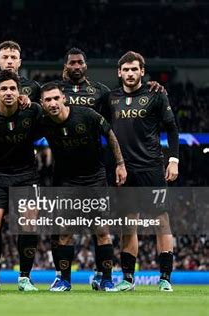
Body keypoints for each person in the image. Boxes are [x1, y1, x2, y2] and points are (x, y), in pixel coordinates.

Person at [48, 47, 166, 290]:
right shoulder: (53, 92)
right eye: (72, 63)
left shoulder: (102, 93)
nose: (77, 66)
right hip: (64, 173)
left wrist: (152, 87)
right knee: (63, 229)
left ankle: (103, 275)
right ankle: (62, 277)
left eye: (81, 62)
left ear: (86, 65)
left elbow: (112, 124)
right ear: (66, 66)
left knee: (101, 227)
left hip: (96, 170)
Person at [38, 83, 127, 291]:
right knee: (65, 232)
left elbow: (111, 135)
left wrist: (121, 164)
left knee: (102, 231)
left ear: (64, 99)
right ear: (42, 104)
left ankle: (106, 280)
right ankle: (64, 281)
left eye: (55, 98)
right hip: (67, 183)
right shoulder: (42, 122)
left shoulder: (87, 115)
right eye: (48, 100)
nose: (52, 103)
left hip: (95, 180)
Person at [107, 51, 179, 292]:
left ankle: (165, 278)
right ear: (119, 72)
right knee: (128, 224)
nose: (129, 73)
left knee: (161, 221)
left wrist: (174, 159)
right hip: (124, 170)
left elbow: (172, 128)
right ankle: (128, 280)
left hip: (151, 169)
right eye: (125, 70)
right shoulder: (111, 98)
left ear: (142, 71)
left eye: (134, 69)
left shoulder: (156, 95)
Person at [0, 70, 42, 291]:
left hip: (26, 176)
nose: (8, 92)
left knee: (28, 222)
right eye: (4, 89)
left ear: (20, 92)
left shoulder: (32, 111)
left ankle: (24, 278)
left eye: (12, 88)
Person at [0, 40, 41, 105]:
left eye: (13, 57)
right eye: (5, 57)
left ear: (19, 62)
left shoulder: (34, 87)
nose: (9, 61)